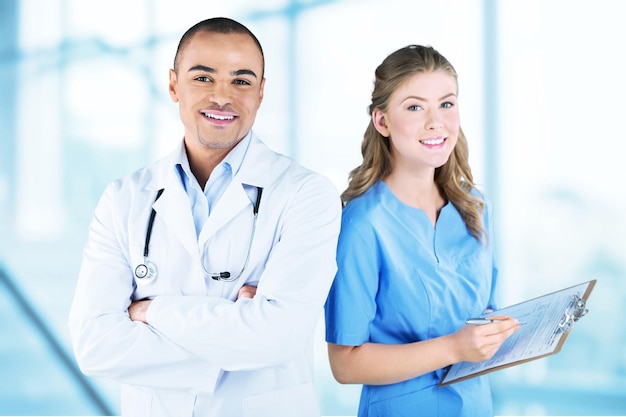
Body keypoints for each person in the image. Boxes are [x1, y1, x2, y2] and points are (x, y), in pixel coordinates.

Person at [68, 17, 341, 417]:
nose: (222, 97)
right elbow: (95, 345)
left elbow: (278, 338)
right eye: (203, 78)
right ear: (174, 84)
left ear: (262, 92)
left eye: (242, 81)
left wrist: (150, 311)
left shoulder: (306, 194)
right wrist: (237, 332)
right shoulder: (124, 198)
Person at [324, 44, 520, 417]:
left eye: (446, 104)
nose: (436, 122)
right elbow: (344, 364)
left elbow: (485, 312)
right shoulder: (363, 224)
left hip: (476, 406)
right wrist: (455, 348)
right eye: (415, 107)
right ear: (382, 121)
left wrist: (496, 334)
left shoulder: (475, 208)